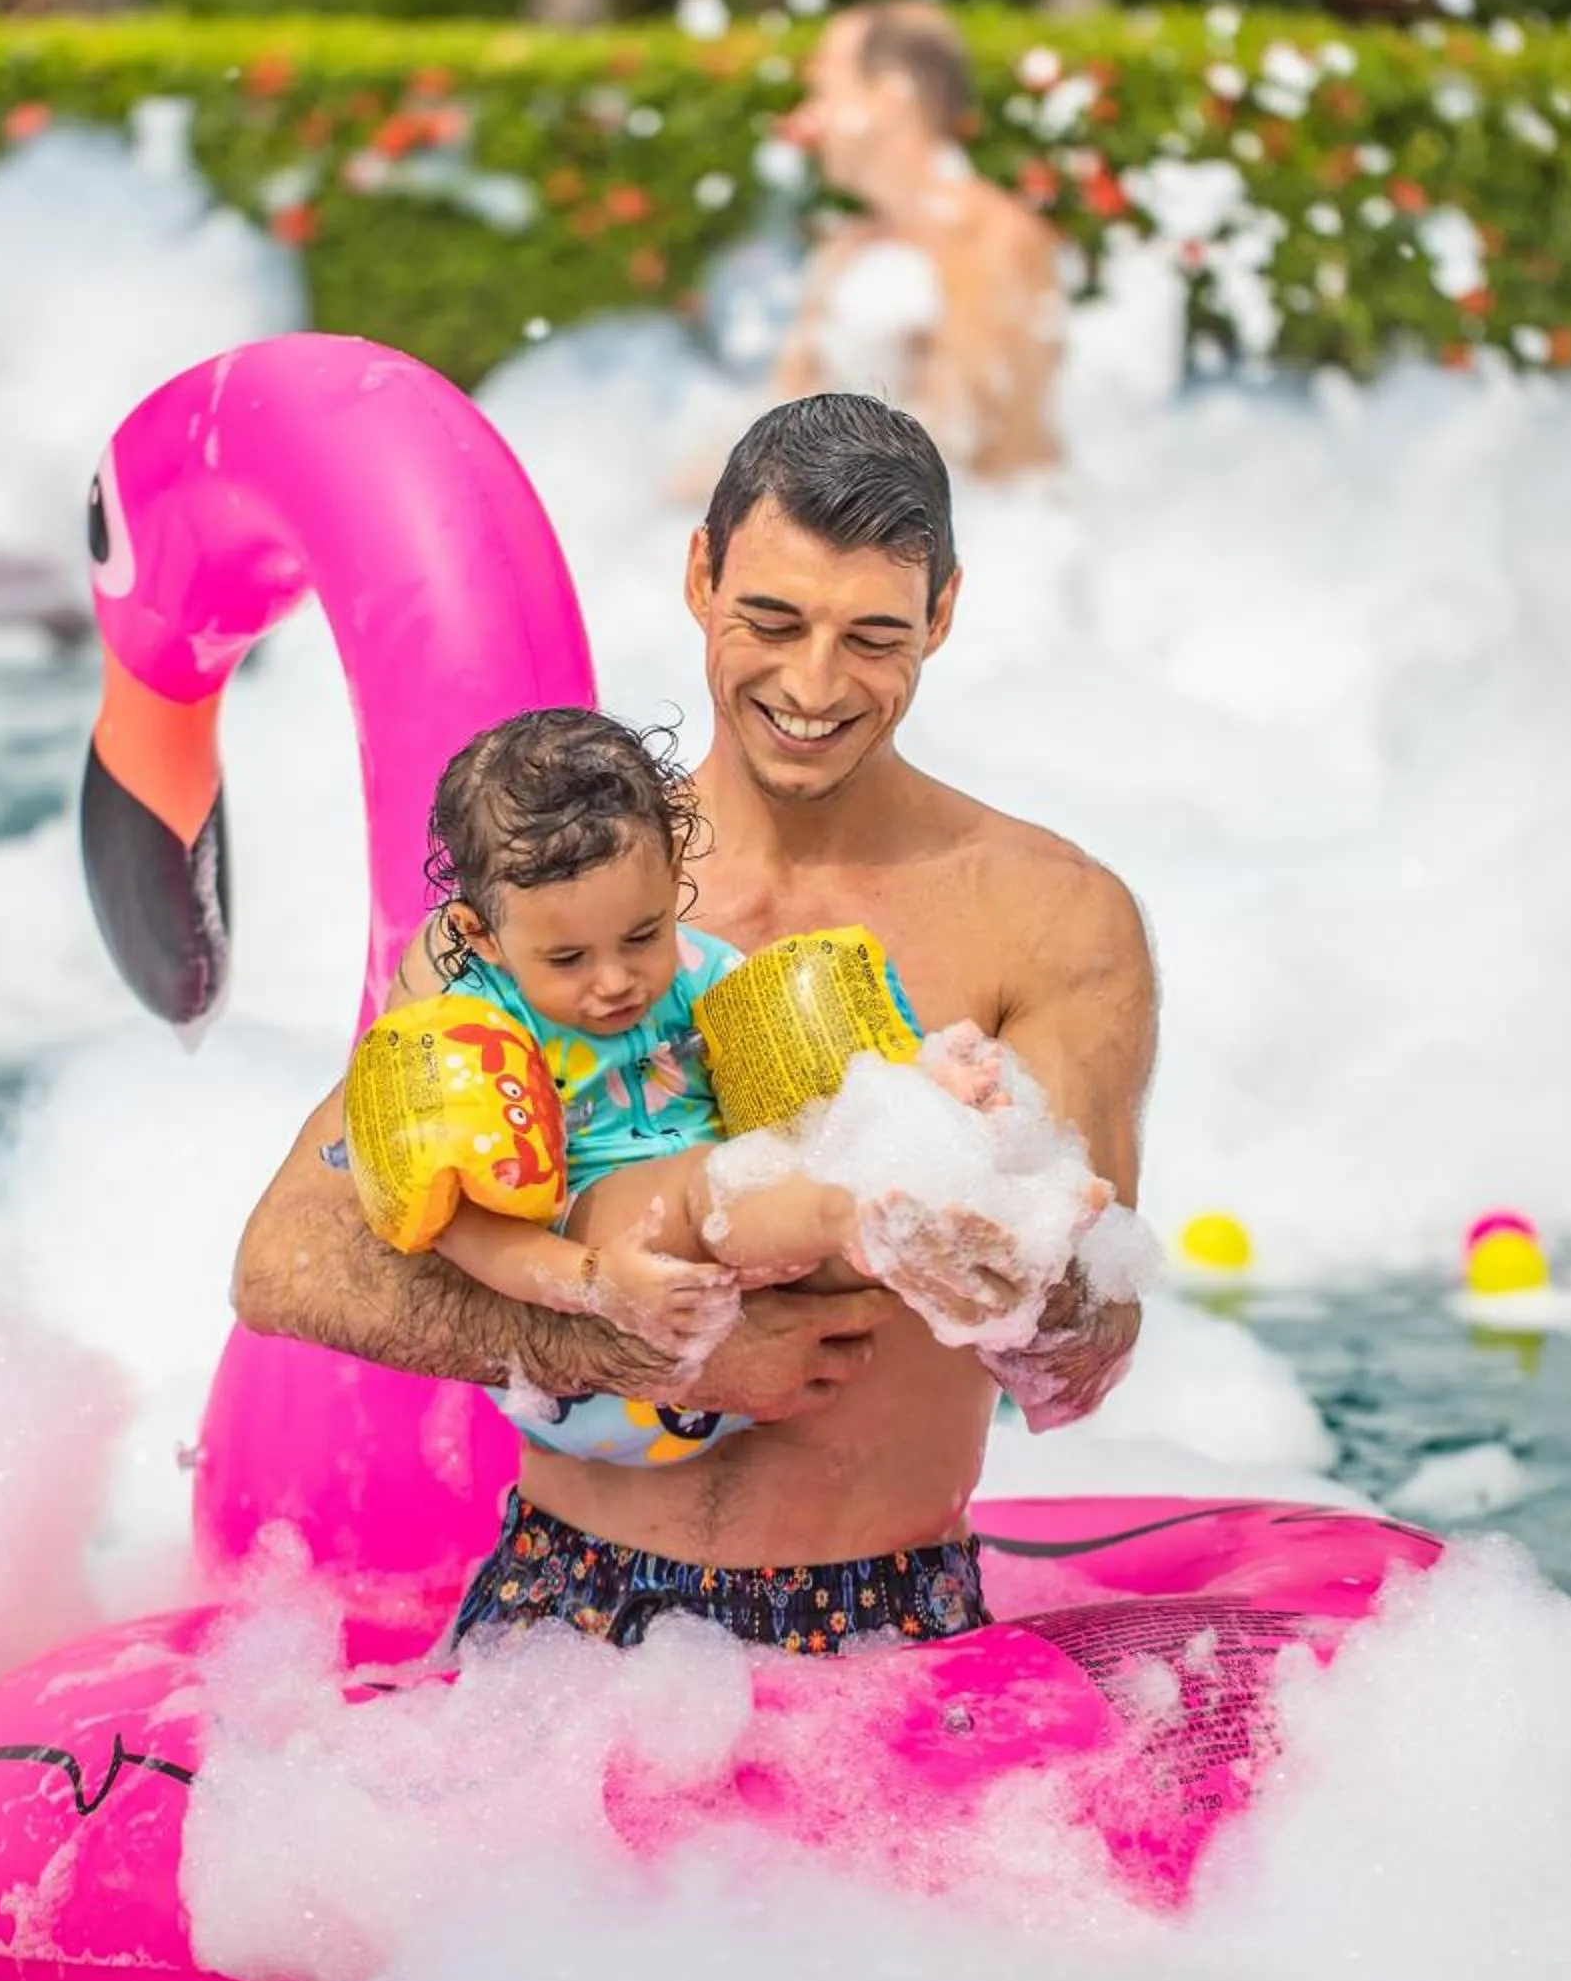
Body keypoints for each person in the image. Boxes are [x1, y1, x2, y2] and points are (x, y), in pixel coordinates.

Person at [236, 392, 1156, 1652]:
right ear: (698, 575)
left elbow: (1085, 1359)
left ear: (940, 615)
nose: (813, 685)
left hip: (877, 1628)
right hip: (559, 1603)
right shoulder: (563, 889)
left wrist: (1021, 1289)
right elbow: (289, 1261)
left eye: (872, 637)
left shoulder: (1048, 920)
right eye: (770, 620)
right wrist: (646, 1353)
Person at [367, 704, 1114, 1464]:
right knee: (702, 1184)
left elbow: (824, 1079)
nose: (617, 981)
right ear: (479, 934)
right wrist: (592, 1281)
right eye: (569, 960)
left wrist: (915, 1080)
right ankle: (859, 1212)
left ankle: (994, 1209)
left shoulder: (697, 970)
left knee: (798, 1057)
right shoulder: (466, 1026)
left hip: (730, 1266)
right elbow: (459, 1229)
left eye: (642, 934)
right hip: (586, 1317)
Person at [771, 1, 1065, 476]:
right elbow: (775, 425)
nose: (809, 117)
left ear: (891, 95)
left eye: (823, 90)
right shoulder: (847, 248)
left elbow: (989, 456)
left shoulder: (995, 242)